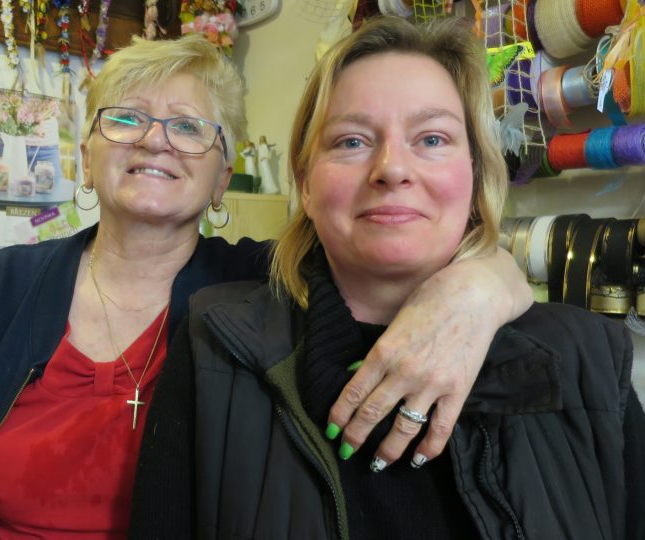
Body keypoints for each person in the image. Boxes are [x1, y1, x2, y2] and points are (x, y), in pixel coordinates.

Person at [0, 32, 534, 539]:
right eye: (126, 118)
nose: (155, 139)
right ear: (85, 157)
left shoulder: (267, 288)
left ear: (223, 177)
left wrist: (477, 290)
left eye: (188, 127)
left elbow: (403, 259)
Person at [130, 16, 645, 539]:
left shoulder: (592, 359)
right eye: (352, 141)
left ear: (475, 175)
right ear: (305, 184)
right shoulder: (215, 345)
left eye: (432, 138)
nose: (392, 168)